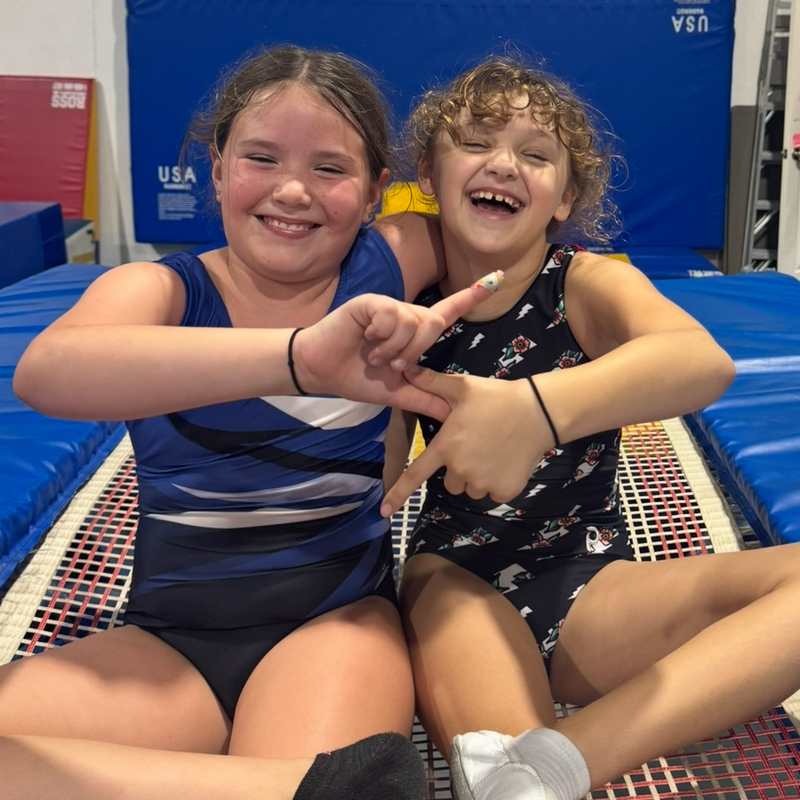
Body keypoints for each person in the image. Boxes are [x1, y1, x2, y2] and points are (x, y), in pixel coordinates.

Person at [1, 44, 503, 800]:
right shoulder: (161, 290)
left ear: (376, 192)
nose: (292, 190)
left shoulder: (392, 260)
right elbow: (48, 371)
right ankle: (291, 787)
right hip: (171, 644)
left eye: (330, 169)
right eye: (261, 159)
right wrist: (299, 360)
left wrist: (538, 404)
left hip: (334, 628)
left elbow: (517, 230)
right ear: (216, 168)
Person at [380, 55, 800, 800]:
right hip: (455, 575)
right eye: (475, 143)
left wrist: (533, 409)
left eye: (536, 155)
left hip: (590, 579)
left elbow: (699, 361)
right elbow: (378, 483)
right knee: (504, 780)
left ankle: (570, 756)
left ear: (565, 196)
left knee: (531, 776)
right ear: (429, 173)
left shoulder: (583, 282)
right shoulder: (405, 297)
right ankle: (542, 763)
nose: (503, 163)